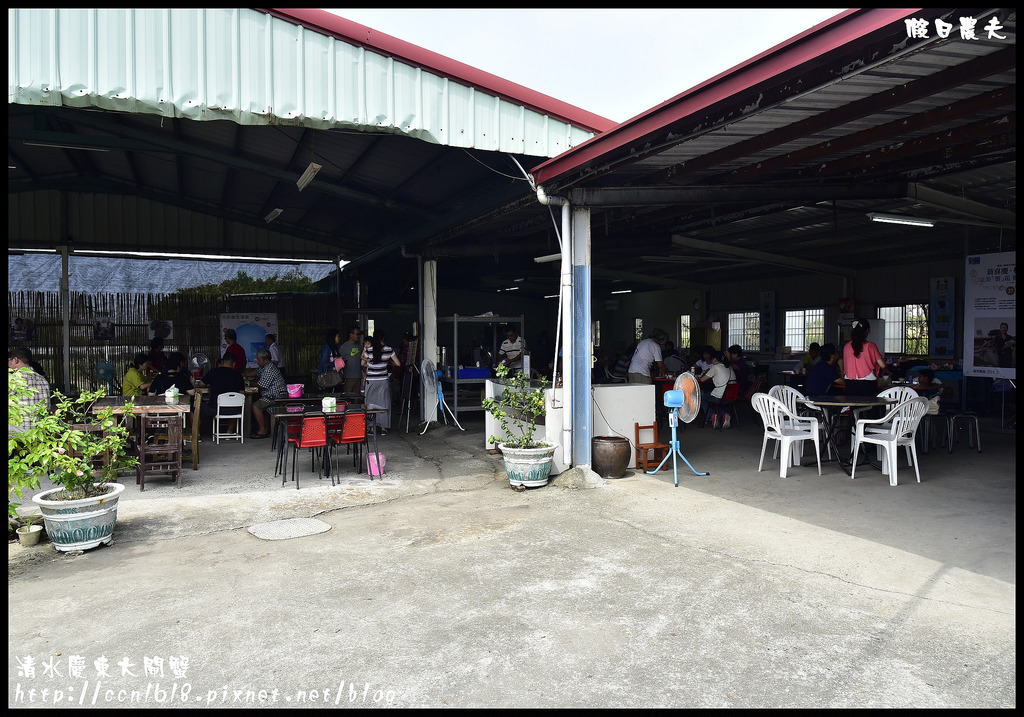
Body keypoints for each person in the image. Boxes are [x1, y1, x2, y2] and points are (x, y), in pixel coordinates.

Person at [362, 334, 400, 435]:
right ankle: (383, 428)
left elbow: (362, 363)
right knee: (384, 404)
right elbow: (398, 363)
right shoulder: (389, 349)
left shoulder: (369, 350)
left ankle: (371, 428)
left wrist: (370, 364)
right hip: (383, 380)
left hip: (371, 381)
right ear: (384, 340)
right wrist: (387, 363)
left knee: (370, 404)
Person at [842, 318, 890, 396]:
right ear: (867, 331)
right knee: (869, 407)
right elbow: (883, 365)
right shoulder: (870, 346)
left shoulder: (846, 347)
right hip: (867, 383)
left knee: (853, 406)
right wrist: (885, 370)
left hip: (850, 383)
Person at [8, 347, 51, 432]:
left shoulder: (12, 380)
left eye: (9, 360)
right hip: (41, 431)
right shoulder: (43, 380)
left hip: (19, 430)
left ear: (15, 360)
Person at [250, 347, 287, 439]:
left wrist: (248, 382)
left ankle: (263, 430)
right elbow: (256, 372)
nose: (257, 361)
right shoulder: (265, 366)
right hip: (271, 394)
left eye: (258, 359)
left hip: (276, 395)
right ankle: (266, 429)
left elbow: (261, 385)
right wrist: (244, 374)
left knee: (256, 406)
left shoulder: (269, 369)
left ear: (266, 360)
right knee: (260, 405)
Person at [198, 354, 246, 425]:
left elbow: (201, 384)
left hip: (214, 409)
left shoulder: (213, 372)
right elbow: (242, 394)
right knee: (238, 405)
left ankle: (198, 433)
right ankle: (229, 431)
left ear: (222, 362)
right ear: (234, 364)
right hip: (233, 410)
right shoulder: (238, 375)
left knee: (196, 407)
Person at [697, 350, 736, 428]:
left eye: (712, 359)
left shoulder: (715, 367)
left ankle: (711, 416)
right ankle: (725, 415)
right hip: (730, 396)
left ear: (715, 359)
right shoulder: (729, 367)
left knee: (703, 398)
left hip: (719, 396)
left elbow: (702, 380)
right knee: (716, 401)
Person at [337, 326, 365, 394]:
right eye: (357, 334)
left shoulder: (360, 346)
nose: (358, 336)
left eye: (359, 334)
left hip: (358, 376)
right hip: (348, 377)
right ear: (351, 334)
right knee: (348, 397)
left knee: (357, 398)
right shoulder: (344, 347)